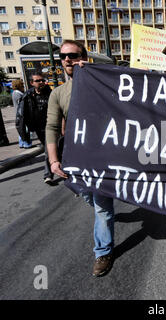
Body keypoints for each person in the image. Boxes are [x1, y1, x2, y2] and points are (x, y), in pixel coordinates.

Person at [46, 40, 115, 277]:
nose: (67, 59)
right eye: (63, 56)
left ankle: (102, 252)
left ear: (83, 56)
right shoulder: (58, 93)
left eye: (73, 55)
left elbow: (126, 82)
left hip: (102, 157)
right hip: (75, 160)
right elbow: (51, 127)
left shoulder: (102, 83)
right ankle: (100, 206)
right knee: (88, 197)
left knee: (102, 208)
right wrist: (54, 161)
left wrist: (97, 73)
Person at [12, 79, 32, 149]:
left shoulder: (14, 93)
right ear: (19, 85)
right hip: (22, 114)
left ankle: (21, 143)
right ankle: (26, 143)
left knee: (21, 129)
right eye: (22, 84)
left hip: (19, 114)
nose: (23, 85)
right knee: (25, 129)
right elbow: (22, 105)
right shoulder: (18, 94)